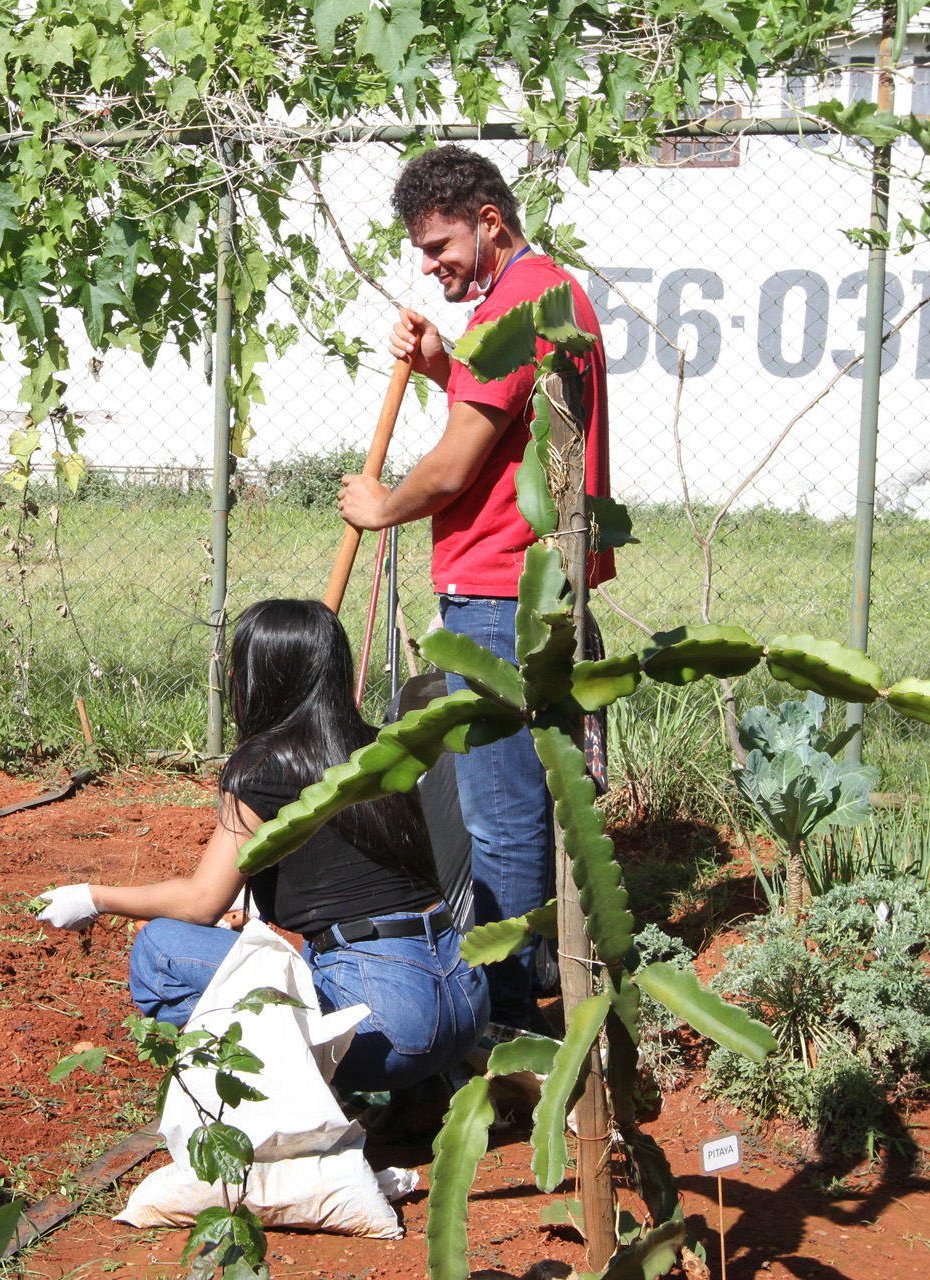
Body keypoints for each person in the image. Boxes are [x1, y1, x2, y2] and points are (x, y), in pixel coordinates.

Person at [336, 146, 616, 1032]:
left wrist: (383, 508)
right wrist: (440, 365)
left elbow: (458, 461)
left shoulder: (520, 299)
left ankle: (509, 1016)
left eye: (439, 244)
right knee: (531, 803)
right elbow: (508, 412)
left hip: (501, 593)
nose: (428, 265)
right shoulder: (543, 294)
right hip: (532, 585)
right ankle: (541, 984)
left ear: (489, 221)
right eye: (421, 251)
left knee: (503, 820)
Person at [35, 598, 487, 1094]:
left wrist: (92, 898)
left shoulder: (264, 764)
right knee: (308, 954)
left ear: (255, 677)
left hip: (387, 1029)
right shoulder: (381, 746)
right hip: (465, 1008)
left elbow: (200, 902)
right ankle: (411, 1092)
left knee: (158, 948)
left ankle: (274, 1097)